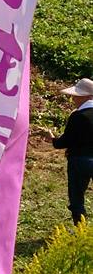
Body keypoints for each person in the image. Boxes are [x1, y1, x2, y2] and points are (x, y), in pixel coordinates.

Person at [52, 77, 93, 225]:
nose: (74, 99)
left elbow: (63, 142)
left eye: (77, 96)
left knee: (77, 197)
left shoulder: (77, 116)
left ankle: (80, 231)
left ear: (87, 97)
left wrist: (52, 138)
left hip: (79, 161)